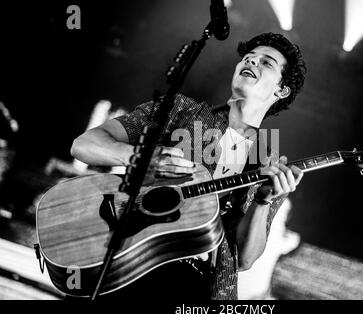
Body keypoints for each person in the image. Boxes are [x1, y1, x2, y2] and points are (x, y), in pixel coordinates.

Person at [71, 32, 307, 300]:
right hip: (130, 264)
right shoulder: (181, 111)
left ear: (281, 89)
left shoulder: (270, 165)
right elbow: (84, 144)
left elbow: (244, 259)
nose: (251, 63)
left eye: (266, 63)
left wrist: (263, 201)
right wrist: (140, 157)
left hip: (196, 289)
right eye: (248, 58)